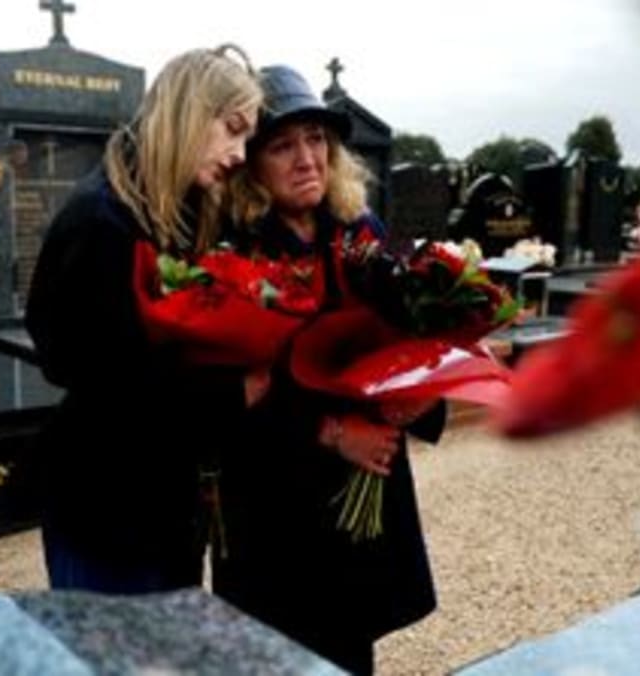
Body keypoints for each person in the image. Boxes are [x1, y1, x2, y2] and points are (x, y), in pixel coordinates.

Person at [212, 65, 443, 675]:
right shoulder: (233, 249)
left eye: (316, 139)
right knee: (273, 656)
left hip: (356, 496)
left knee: (347, 649)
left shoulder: (361, 230)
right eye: (283, 146)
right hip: (274, 504)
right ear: (251, 163)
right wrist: (333, 432)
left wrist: (422, 393)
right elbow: (227, 392)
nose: (306, 159)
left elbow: (414, 327)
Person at [20, 44, 268, 595]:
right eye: (232, 129)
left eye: (247, 138)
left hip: (162, 508)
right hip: (107, 512)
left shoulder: (171, 211)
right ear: (187, 110)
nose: (239, 154)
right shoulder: (101, 218)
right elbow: (83, 367)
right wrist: (232, 393)